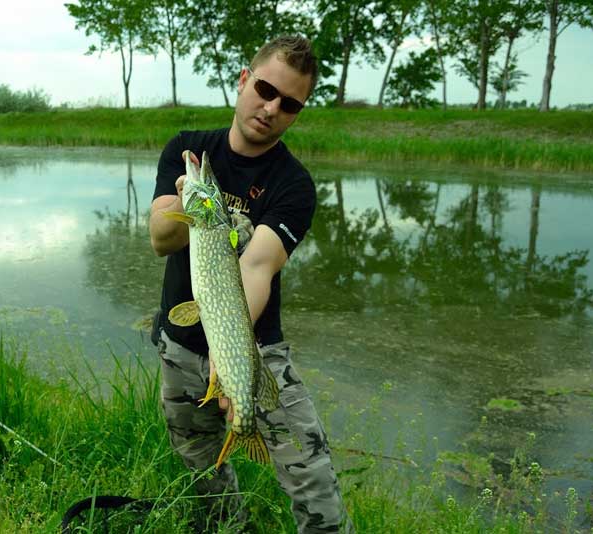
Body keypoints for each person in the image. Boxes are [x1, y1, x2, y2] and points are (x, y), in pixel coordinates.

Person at [148, 35, 353, 533]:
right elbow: (160, 238)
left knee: (312, 477)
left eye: (289, 104)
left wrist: (230, 356)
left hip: (255, 350)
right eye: (265, 88)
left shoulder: (295, 186)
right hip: (179, 348)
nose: (271, 107)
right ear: (245, 80)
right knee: (202, 468)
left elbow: (257, 265)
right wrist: (190, 208)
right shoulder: (187, 149)